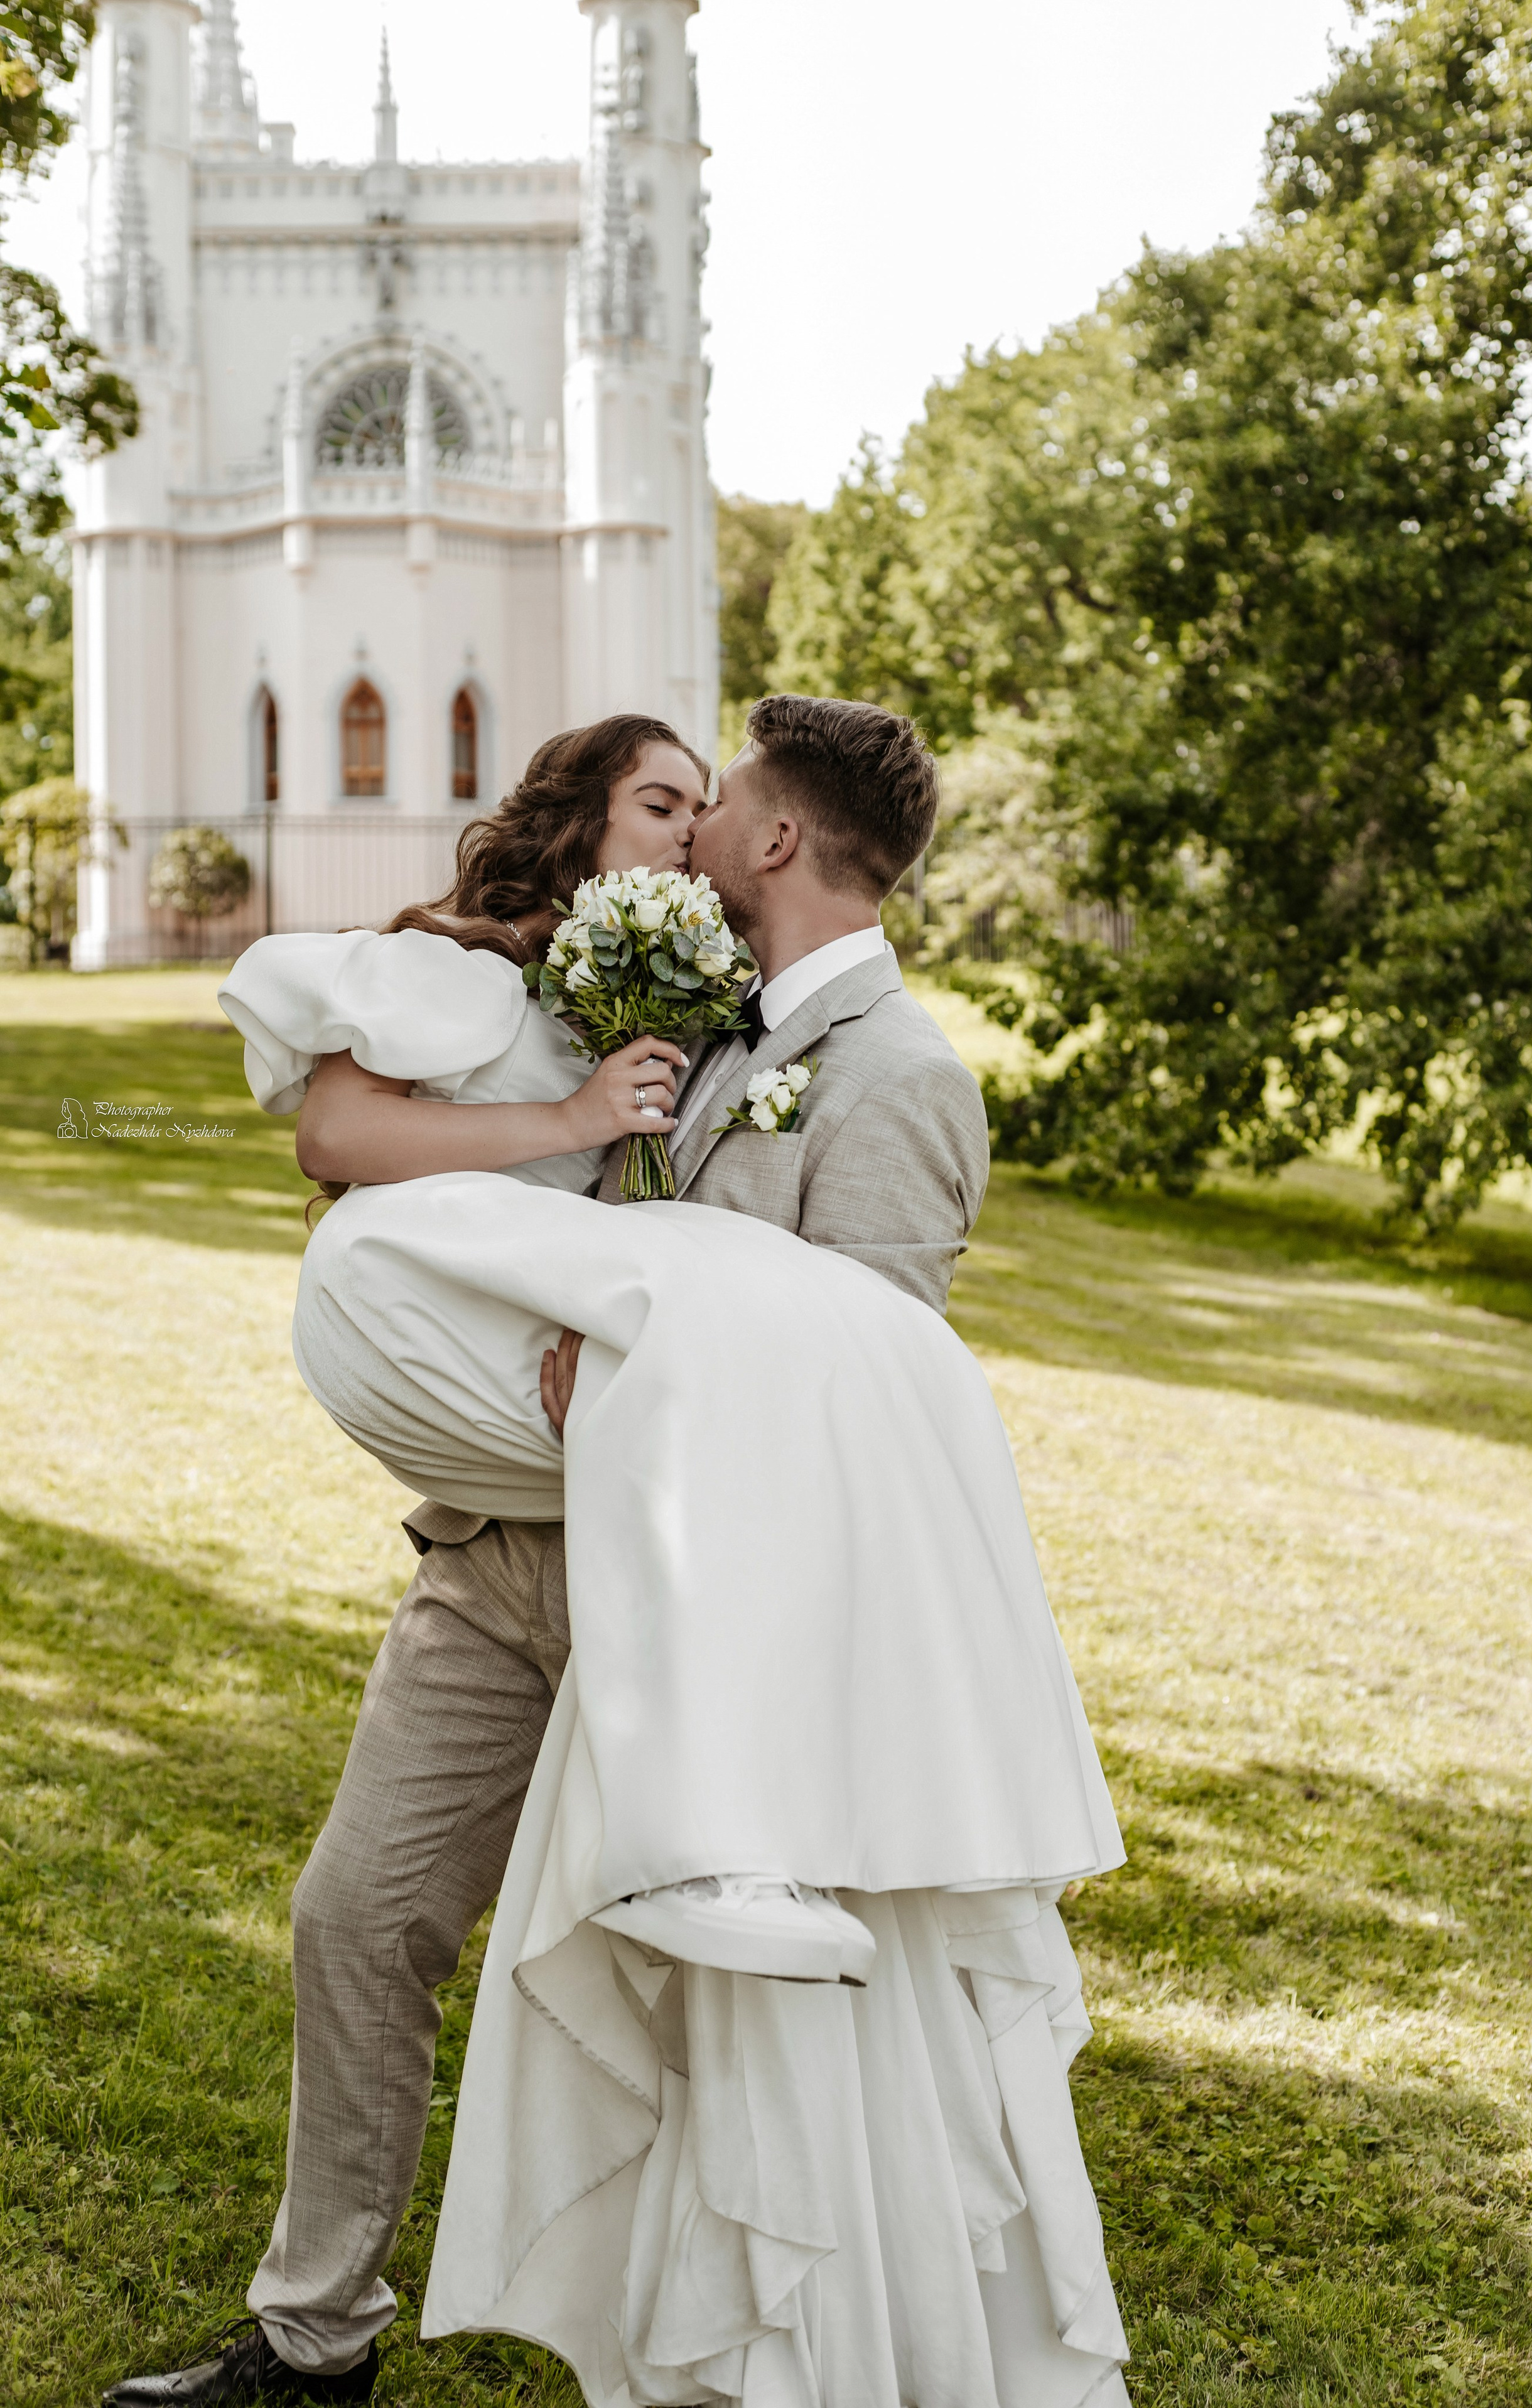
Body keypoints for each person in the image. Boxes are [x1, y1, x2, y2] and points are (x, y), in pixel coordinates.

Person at [101, 700, 1132, 2408]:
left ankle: (740, 2356)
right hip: (499, 1566)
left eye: (721, 799)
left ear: (779, 838)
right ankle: (311, 2337)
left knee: (724, 2015)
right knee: (357, 1916)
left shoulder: (901, 1075)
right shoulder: (687, 1004)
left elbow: (862, 1406)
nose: (702, 822)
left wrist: (658, 1361)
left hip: (695, 1620)